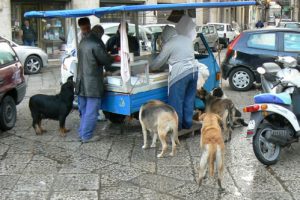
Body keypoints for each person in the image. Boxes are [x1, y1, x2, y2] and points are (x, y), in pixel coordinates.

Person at [149, 25, 198, 131]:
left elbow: (159, 61)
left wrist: (150, 67)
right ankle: (187, 124)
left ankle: (177, 126)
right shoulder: (186, 39)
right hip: (194, 71)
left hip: (180, 74)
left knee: (176, 101)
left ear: (165, 36)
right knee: (189, 99)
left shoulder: (169, 44)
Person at [76, 18, 113, 142]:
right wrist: (112, 58)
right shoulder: (95, 43)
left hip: (81, 82)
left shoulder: (82, 42)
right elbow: (105, 60)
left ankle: (82, 133)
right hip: (92, 84)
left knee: (84, 109)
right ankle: (86, 136)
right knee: (91, 111)